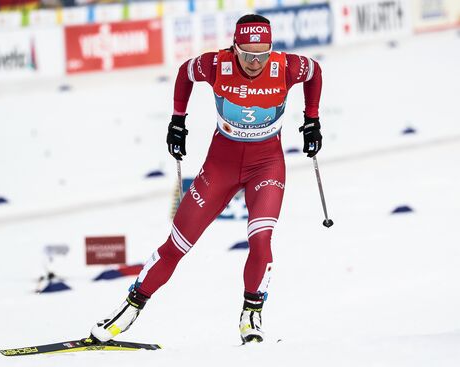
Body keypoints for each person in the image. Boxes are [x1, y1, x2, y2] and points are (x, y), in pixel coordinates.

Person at [87, 14, 323, 344]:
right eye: (248, 54)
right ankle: (129, 309)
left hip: (266, 166)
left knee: (261, 239)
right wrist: (177, 121)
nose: (255, 62)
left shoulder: (285, 66)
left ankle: (251, 315)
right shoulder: (215, 65)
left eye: (262, 53)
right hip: (220, 168)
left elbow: (314, 72)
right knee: (176, 246)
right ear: (234, 47)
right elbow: (185, 73)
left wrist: (311, 119)